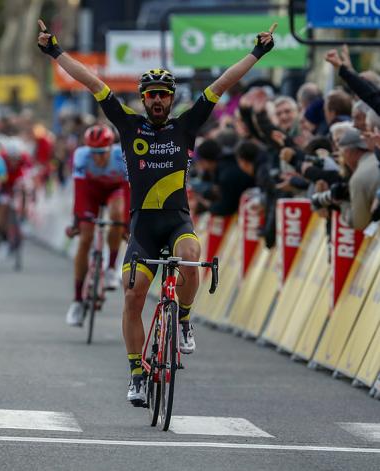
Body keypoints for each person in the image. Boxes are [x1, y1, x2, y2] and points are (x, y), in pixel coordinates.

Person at [38, 18, 276, 406]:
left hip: (177, 221)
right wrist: (54, 50)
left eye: (165, 94)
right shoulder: (128, 126)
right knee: (133, 298)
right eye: (152, 95)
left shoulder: (187, 125)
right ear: (143, 99)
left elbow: (223, 83)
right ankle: (136, 373)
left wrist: (257, 52)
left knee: (191, 257)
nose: (159, 101)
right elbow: (91, 81)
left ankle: (182, 319)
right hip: (143, 226)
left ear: (172, 97)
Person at [65, 124, 129, 326]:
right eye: (94, 152)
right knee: (85, 239)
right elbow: (79, 191)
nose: (97, 157)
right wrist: (77, 221)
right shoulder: (81, 156)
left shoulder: (122, 156)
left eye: (101, 152)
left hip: (114, 191)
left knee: (117, 214)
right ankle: (76, 300)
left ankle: (111, 268)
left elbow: (129, 192)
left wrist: (126, 224)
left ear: (111, 147)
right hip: (91, 194)